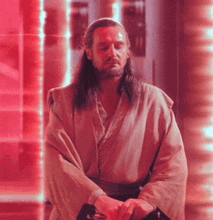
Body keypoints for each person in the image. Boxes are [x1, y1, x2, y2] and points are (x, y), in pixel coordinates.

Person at [45, 18, 188, 220]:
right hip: (81, 208)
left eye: (118, 46)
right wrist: (97, 199)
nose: (113, 54)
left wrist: (148, 201)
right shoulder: (65, 101)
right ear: (89, 52)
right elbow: (57, 163)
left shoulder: (154, 102)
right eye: (104, 47)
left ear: (127, 51)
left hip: (133, 210)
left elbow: (173, 164)